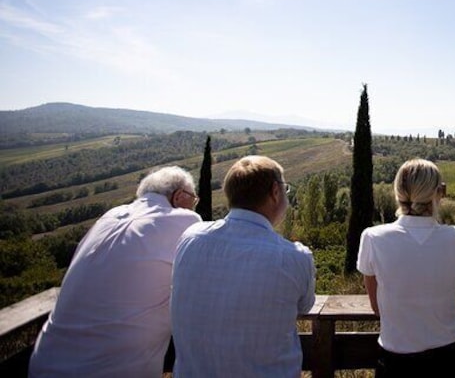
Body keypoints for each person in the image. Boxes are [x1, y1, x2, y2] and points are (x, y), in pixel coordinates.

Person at [29, 166, 202, 378]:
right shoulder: (184, 221)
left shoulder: (109, 217)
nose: (194, 209)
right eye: (193, 201)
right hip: (111, 370)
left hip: (43, 363)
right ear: (179, 197)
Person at [170, 155, 315, 378]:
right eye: (284, 189)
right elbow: (303, 308)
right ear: (275, 192)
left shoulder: (190, 238)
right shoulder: (294, 257)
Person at [357, 158, 455, 378]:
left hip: (396, 362)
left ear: (398, 192)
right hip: (449, 360)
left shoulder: (372, 238)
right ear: (438, 193)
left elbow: (376, 308)